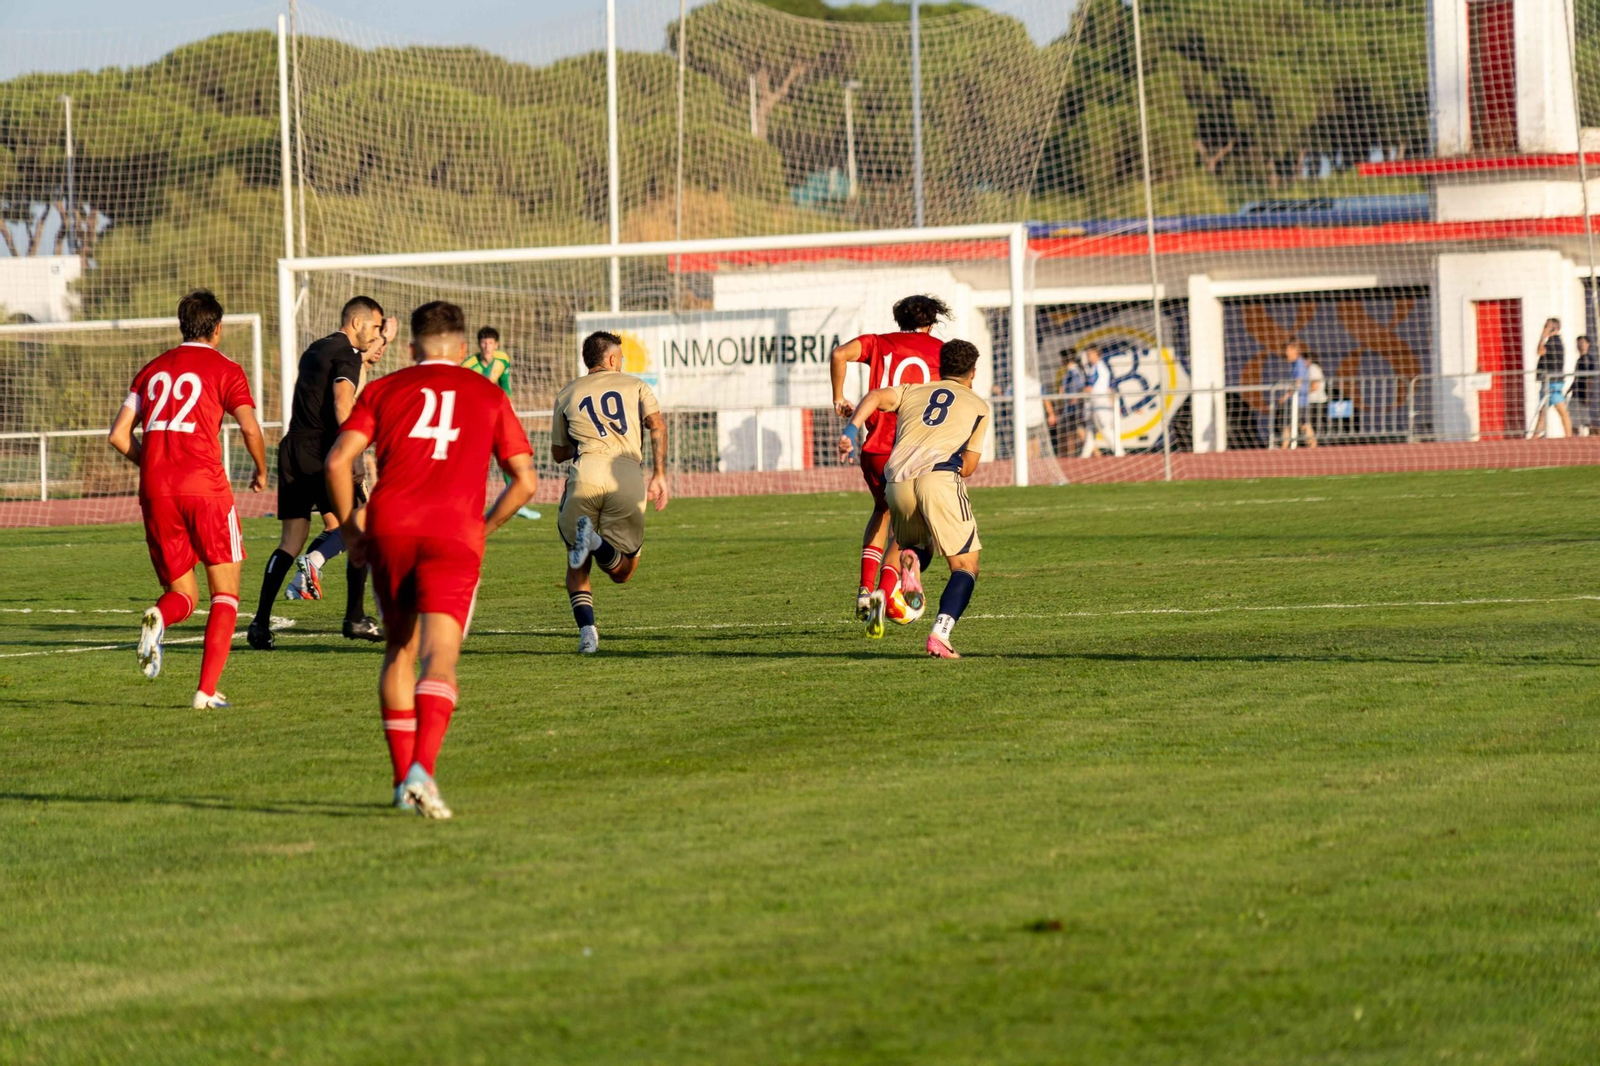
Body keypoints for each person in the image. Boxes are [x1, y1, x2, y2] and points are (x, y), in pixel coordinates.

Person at [324, 300, 537, 818]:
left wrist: (352, 529)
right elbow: (526, 481)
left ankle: (402, 784)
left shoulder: (383, 389)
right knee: (439, 654)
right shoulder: (486, 393)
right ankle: (422, 768)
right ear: (463, 351)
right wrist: (483, 527)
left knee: (398, 649)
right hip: (454, 536)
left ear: (413, 349)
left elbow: (337, 459)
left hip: (392, 529)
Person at [106, 290, 268, 709]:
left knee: (183, 594)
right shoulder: (226, 368)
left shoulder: (152, 369)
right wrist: (262, 469)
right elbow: (250, 428)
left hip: (156, 490)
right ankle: (205, 690)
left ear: (183, 326)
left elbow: (118, 436)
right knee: (225, 594)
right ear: (217, 329)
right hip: (206, 487)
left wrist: (154, 463)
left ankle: (159, 617)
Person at [247, 296, 393, 650]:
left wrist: (379, 344)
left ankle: (260, 623)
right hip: (325, 450)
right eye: (374, 327)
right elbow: (343, 401)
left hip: (294, 449)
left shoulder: (317, 348)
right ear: (357, 324)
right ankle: (356, 617)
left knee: (292, 540)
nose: (375, 333)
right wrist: (353, 445)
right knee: (363, 526)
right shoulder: (347, 354)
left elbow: (352, 371)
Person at [839, 339, 989, 659]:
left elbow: (876, 396)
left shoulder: (912, 390)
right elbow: (970, 467)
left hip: (896, 481)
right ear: (973, 372)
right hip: (939, 476)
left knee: (917, 546)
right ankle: (940, 634)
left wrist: (852, 429)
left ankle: (897, 577)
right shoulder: (978, 405)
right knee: (966, 565)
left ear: (941, 366)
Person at [829, 294, 947, 637]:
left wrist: (838, 397)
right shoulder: (939, 350)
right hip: (912, 449)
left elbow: (839, 354)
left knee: (882, 510)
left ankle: (865, 590)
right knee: (908, 524)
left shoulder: (878, 343)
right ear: (932, 321)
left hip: (875, 448)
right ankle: (885, 588)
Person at [551, 330, 670, 654]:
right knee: (623, 573)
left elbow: (559, 453)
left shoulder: (567, 393)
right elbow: (657, 425)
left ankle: (587, 634)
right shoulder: (635, 385)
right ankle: (597, 543)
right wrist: (659, 474)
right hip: (626, 474)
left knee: (577, 566)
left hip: (585, 473)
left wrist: (585, 439)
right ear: (613, 359)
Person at [462, 325, 540, 521]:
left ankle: (516, 503)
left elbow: (504, 384)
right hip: (474, 417)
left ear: (496, 345)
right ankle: (468, 504)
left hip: (495, 414)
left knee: (510, 455)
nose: (487, 346)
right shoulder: (468, 365)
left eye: (490, 342)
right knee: (476, 461)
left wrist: (509, 408)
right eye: (483, 342)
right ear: (479, 345)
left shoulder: (503, 359)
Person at [1275, 340, 1317, 449]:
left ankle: (1284, 448)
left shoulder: (1299, 364)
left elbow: (1298, 383)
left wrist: (1286, 396)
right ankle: (1313, 446)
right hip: (1298, 401)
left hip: (1299, 401)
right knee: (1303, 425)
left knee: (1290, 425)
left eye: (1288, 350)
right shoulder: (1295, 364)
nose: (1286, 352)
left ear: (1295, 351)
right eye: (1285, 350)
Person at [1079, 346, 1119, 457]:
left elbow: (1090, 387)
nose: (1088, 356)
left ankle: (1119, 452)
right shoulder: (1095, 368)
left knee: (1105, 428)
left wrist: (1079, 392)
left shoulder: (1099, 367)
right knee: (1091, 430)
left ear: (1096, 353)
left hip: (1100, 402)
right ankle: (1084, 456)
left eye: (1090, 354)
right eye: (1087, 354)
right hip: (1095, 402)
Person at [1536, 318, 1571, 438]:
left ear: (1554, 329)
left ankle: (1569, 436)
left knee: (1560, 409)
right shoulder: (1553, 341)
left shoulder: (1554, 342)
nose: (1545, 328)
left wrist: (1542, 336)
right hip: (1549, 381)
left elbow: (1540, 351)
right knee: (1543, 411)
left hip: (1552, 382)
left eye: (1547, 326)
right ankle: (1535, 437)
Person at [1048, 349, 1087, 458]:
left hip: (1072, 408)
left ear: (1066, 359)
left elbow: (1076, 388)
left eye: (1062, 358)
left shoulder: (1074, 372)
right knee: (1071, 432)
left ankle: (1090, 453)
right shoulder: (1071, 371)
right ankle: (1070, 455)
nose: (1061, 361)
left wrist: (1070, 397)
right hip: (1068, 408)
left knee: (1073, 432)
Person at [1573, 334, 1596, 436]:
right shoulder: (1580, 359)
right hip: (1576, 393)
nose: (1580, 345)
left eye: (1582, 342)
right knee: (1578, 419)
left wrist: (1587, 394)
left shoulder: (1587, 359)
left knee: (1584, 420)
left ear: (1588, 344)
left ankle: (1595, 435)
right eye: (1578, 342)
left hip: (1582, 394)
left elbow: (1589, 379)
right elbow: (1577, 378)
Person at [1306, 352, 1329, 441]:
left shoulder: (1313, 368)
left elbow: (1314, 385)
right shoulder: (1315, 368)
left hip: (1315, 401)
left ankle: (1317, 444)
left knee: (1314, 425)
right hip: (1317, 400)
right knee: (1316, 424)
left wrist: (1302, 392)